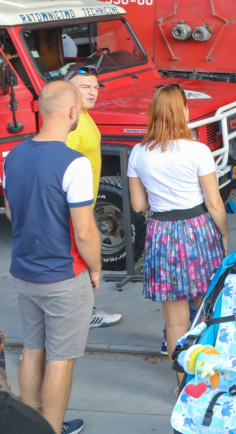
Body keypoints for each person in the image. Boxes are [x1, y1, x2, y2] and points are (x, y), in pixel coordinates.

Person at [5, 82, 99, 434]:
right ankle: (52, 429)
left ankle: (31, 428)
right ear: (73, 112)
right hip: (63, 275)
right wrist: (96, 267)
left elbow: (13, 213)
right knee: (61, 360)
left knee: (32, 349)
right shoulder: (73, 163)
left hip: (24, 272)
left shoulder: (13, 155)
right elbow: (85, 230)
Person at [127, 83, 230, 386]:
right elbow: (213, 202)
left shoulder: (139, 152)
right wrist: (223, 234)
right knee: (206, 310)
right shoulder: (198, 150)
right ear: (184, 111)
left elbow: (138, 204)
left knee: (175, 322)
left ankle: (182, 386)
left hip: (161, 232)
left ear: (153, 113)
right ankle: (209, 378)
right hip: (197, 230)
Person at [63, 67, 121, 331]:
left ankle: (84, 311)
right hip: (75, 205)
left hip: (86, 201)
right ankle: (83, 314)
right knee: (79, 257)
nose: (92, 91)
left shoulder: (84, 115)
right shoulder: (70, 125)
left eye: (95, 87)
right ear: (68, 90)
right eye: (84, 86)